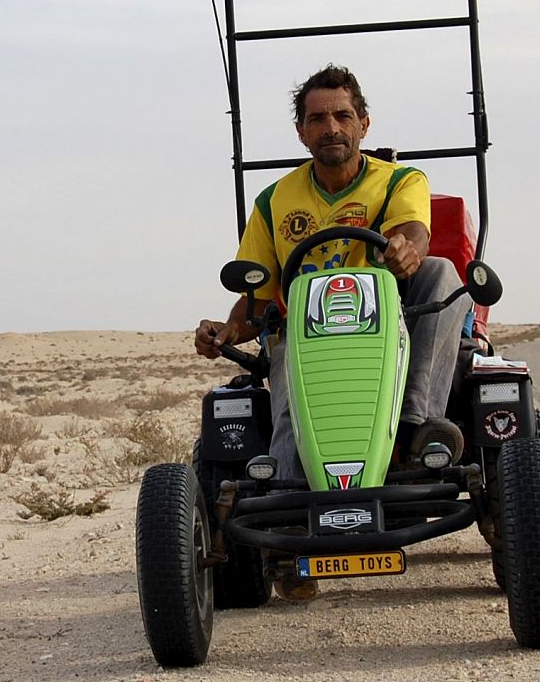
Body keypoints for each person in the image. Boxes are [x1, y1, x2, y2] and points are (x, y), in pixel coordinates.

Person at [193, 65, 470, 597]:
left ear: (364, 124)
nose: (332, 127)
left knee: (439, 272)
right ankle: (288, 523)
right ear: (301, 131)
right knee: (282, 370)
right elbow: (257, 292)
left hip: (389, 329)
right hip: (306, 337)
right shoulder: (275, 201)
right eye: (317, 118)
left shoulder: (398, 182)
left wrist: (408, 248)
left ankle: (414, 430)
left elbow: (413, 230)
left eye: (343, 116)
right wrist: (225, 330)